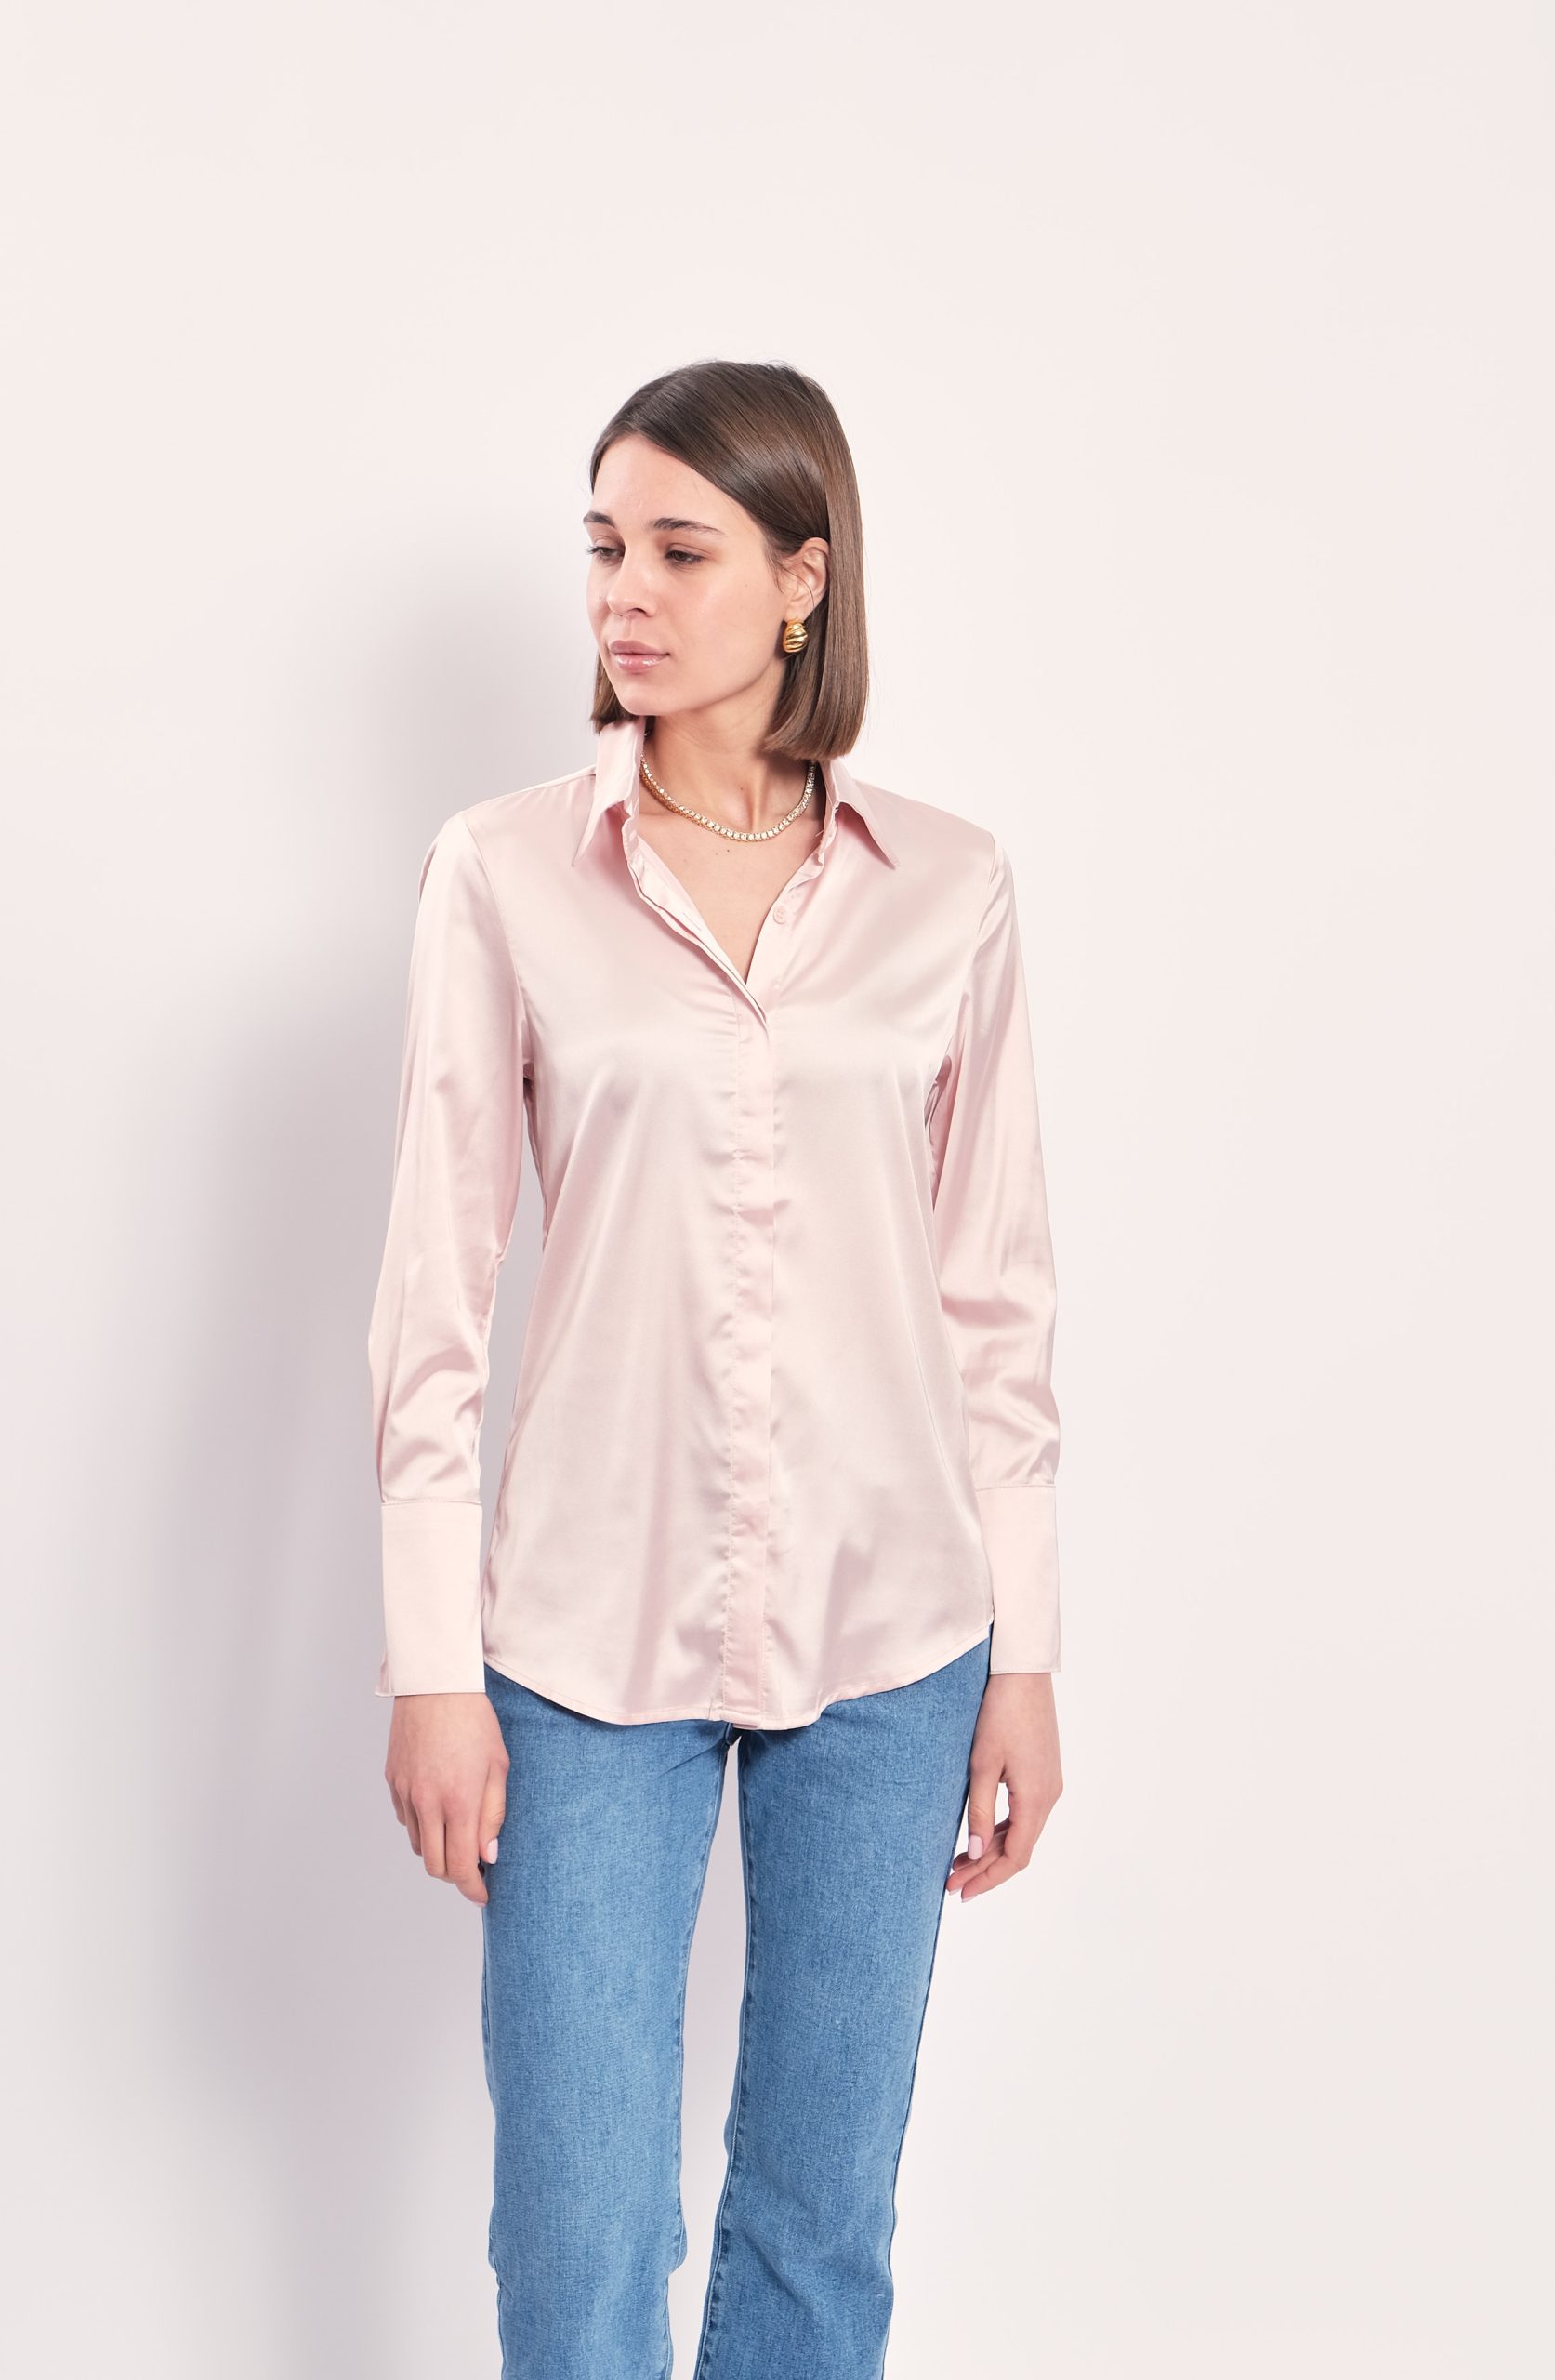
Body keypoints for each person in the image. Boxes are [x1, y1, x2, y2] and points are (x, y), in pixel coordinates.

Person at [367, 357, 1066, 2379]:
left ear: (800, 580)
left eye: (681, 550)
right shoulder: (501, 872)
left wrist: (1024, 1650)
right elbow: (433, 1295)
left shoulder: (950, 885)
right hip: (583, 1637)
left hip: (898, 1631)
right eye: (604, 547)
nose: (625, 593)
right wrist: (429, 1663)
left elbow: (997, 1297)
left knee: (819, 2227)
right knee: (578, 2227)